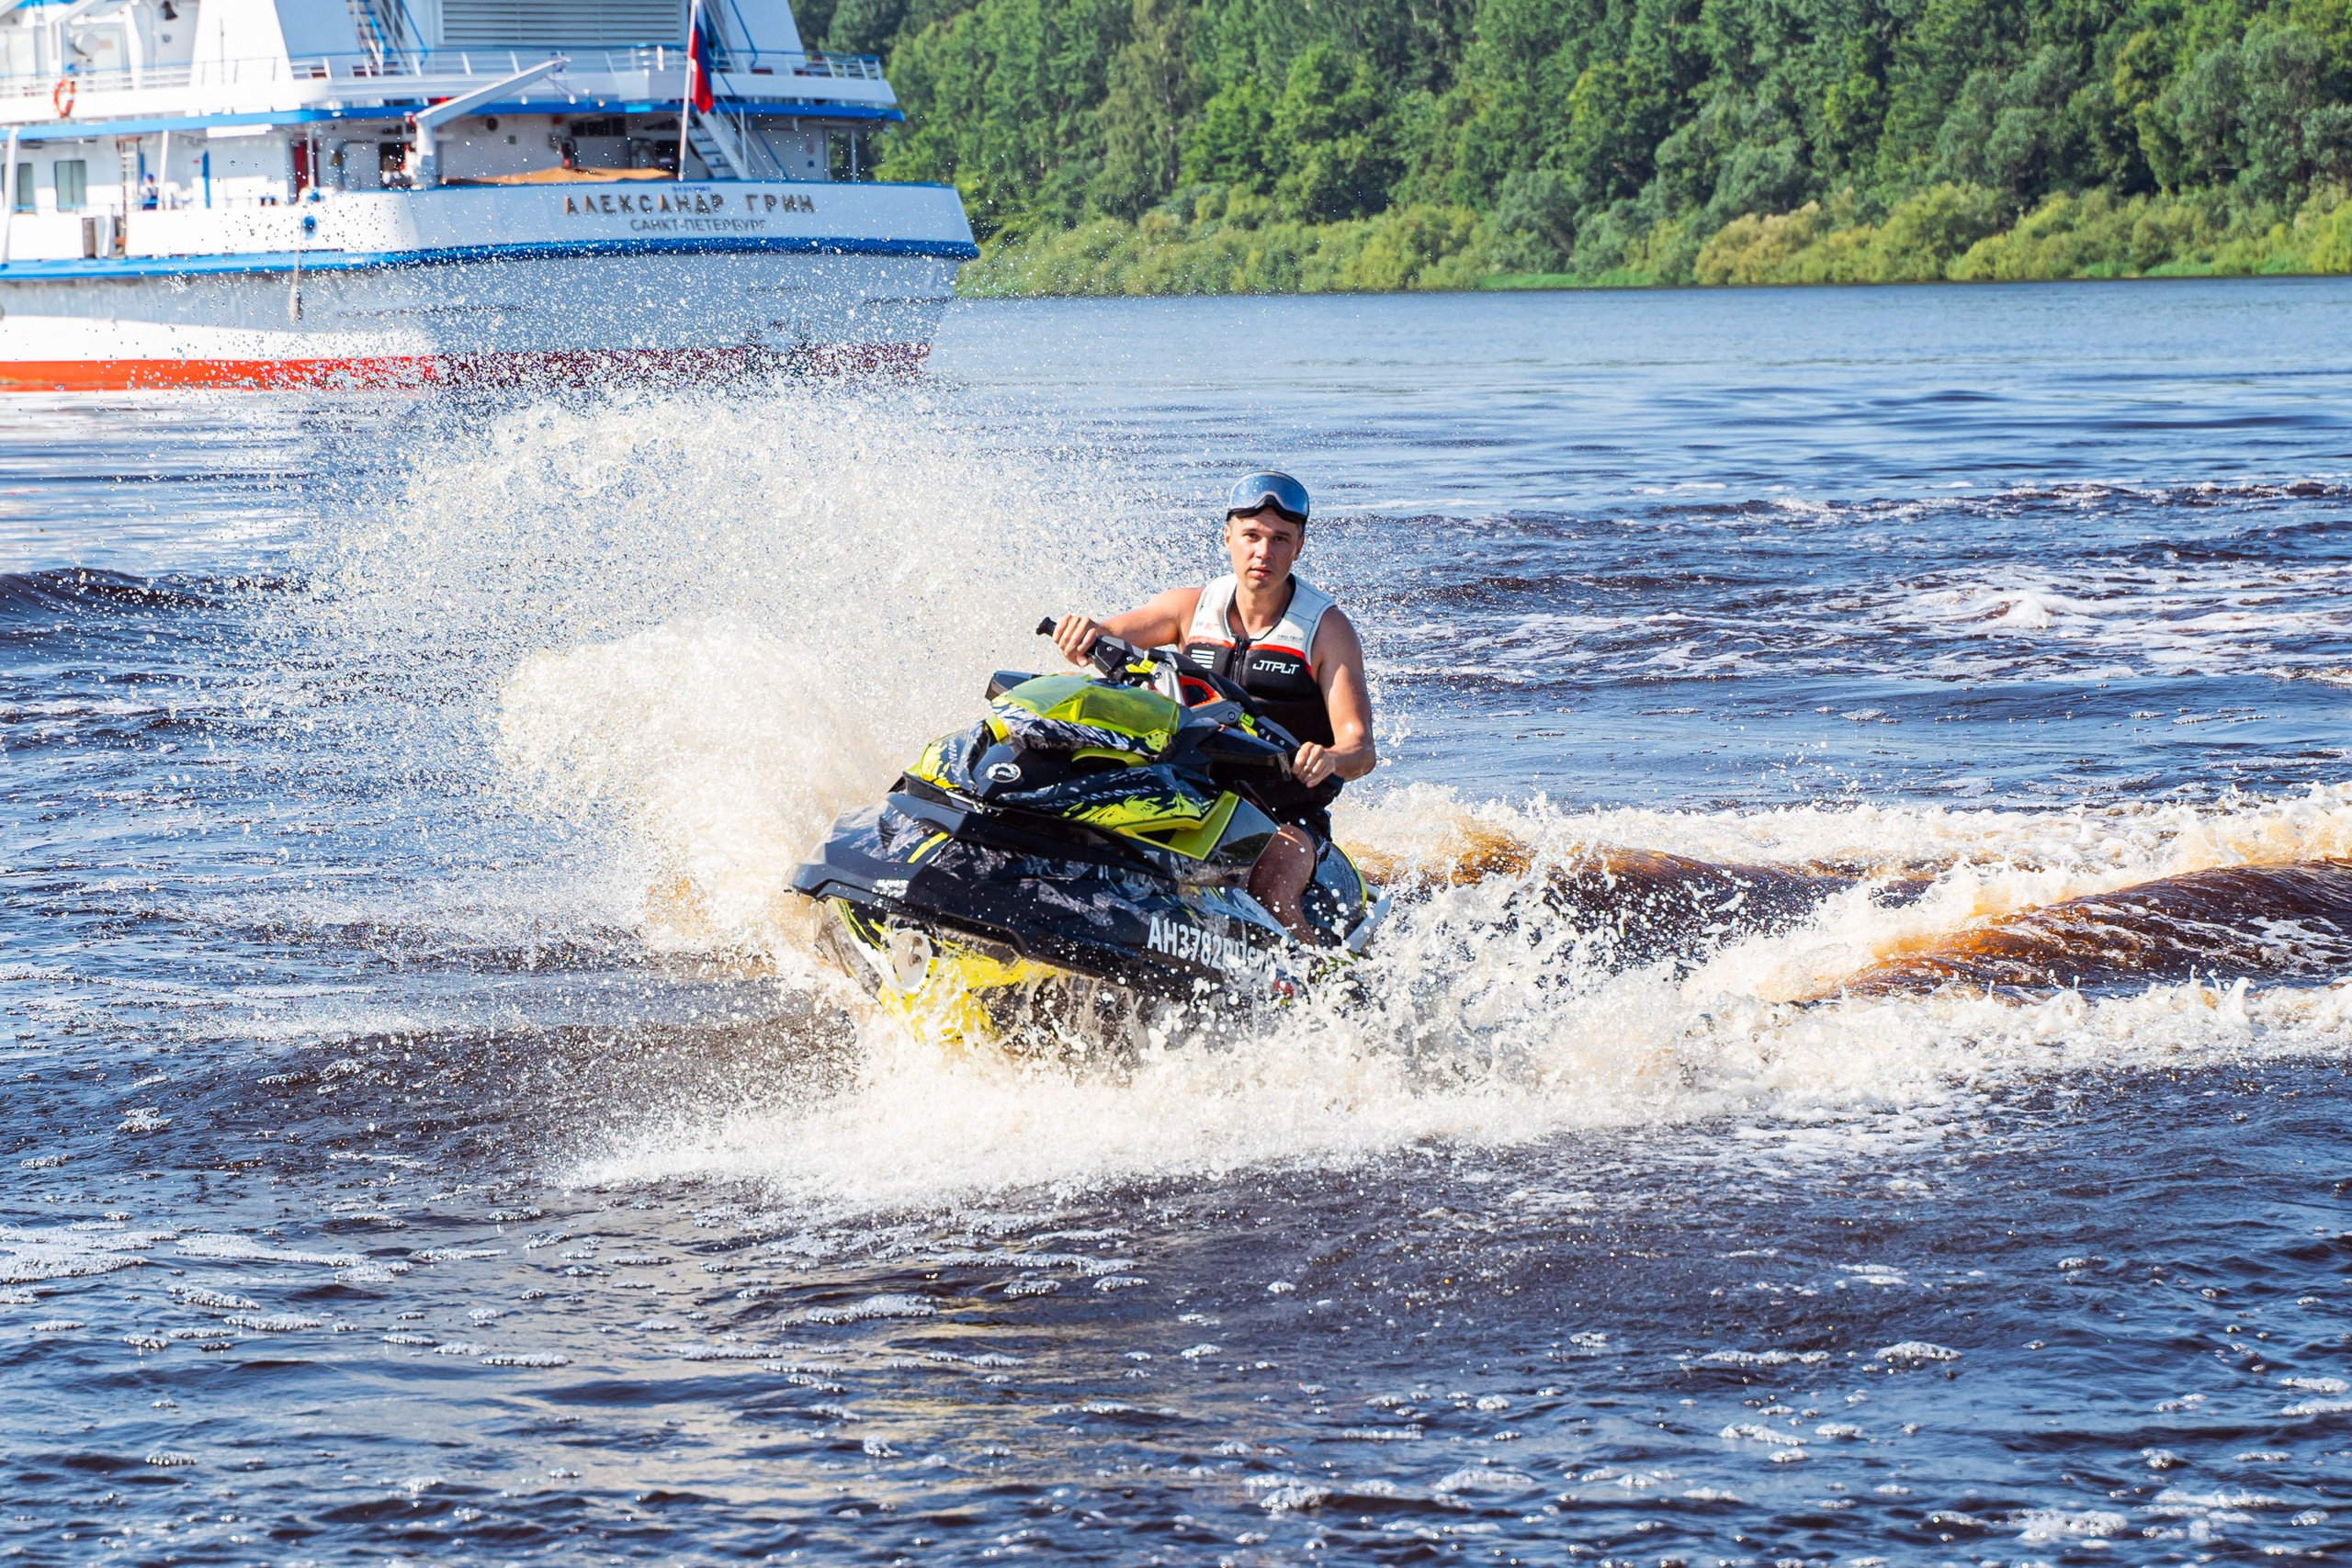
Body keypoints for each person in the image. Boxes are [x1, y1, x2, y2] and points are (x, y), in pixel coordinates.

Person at [1052, 470, 1376, 943]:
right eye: (1251, 536)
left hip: (1284, 813)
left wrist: (1329, 757)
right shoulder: (1188, 608)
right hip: (1192, 790)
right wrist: (1083, 634)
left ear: (1299, 546)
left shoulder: (1327, 630)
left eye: (1280, 539)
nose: (1263, 552)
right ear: (1228, 537)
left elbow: (1361, 749)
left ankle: (1320, 987)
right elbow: (1107, 635)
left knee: (1271, 887)